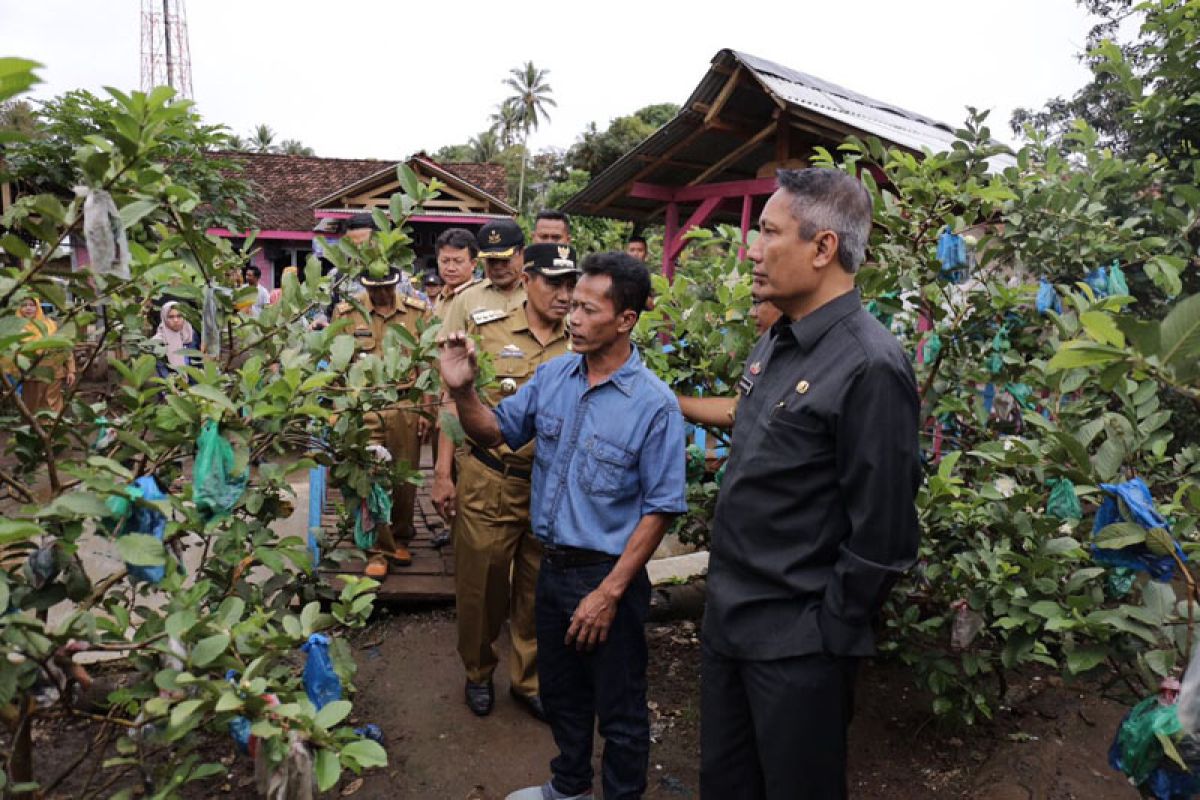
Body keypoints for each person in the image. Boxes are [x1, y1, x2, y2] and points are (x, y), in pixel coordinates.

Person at [699, 168, 921, 800]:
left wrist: (825, 634)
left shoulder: (870, 366)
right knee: (725, 784)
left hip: (796, 648)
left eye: (768, 232)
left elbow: (884, 535)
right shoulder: (777, 339)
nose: (753, 248)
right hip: (731, 623)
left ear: (823, 248)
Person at [439, 251, 687, 800]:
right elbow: (493, 432)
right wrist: (462, 390)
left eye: (588, 309)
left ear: (626, 320)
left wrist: (609, 592)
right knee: (564, 695)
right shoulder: (553, 377)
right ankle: (568, 788)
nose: (572, 317)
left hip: (607, 577)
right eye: (571, 305)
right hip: (552, 570)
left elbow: (661, 507)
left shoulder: (655, 406)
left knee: (620, 711)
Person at [440, 243, 578, 722]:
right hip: (489, 479)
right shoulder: (487, 330)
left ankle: (529, 679)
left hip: (549, 484)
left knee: (539, 589)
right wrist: (444, 472)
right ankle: (478, 672)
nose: (563, 294)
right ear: (527, 280)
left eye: (569, 284)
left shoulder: (580, 340)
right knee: (482, 587)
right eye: (553, 282)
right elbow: (453, 401)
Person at [331, 267, 433, 578]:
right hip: (364, 404)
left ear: (397, 282)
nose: (381, 294)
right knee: (370, 476)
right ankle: (378, 546)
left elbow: (428, 361)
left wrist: (426, 408)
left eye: (387, 287)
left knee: (404, 477)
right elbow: (337, 363)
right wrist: (339, 410)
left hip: (404, 402)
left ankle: (401, 535)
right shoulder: (347, 312)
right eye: (374, 288)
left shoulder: (417, 312)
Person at [432, 218, 529, 525]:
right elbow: (451, 387)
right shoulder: (467, 299)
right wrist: (442, 472)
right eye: (490, 260)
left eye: (505, 259)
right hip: (478, 435)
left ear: (522, 254)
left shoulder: (542, 294)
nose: (497, 267)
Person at [676, 298, 783, 428]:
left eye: (758, 303)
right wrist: (670, 401)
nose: (751, 313)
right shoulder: (764, 347)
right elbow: (738, 409)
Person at [12, 297, 75, 414]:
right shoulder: (15, 328)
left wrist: (71, 370)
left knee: (51, 404)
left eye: (31, 305)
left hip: (53, 373)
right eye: (24, 305)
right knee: (31, 406)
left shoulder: (50, 325)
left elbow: (64, 346)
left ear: (38, 307)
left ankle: (51, 430)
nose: (28, 308)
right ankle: (33, 430)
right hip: (30, 374)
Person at [432, 227, 481, 319]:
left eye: (458, 261)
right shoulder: (440, 297)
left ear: (473, 264)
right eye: (445, 261)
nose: (451, 268)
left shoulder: (481, 298)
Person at [154, 301, 195, 378]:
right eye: (171, 317)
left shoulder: (189, 334)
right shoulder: (158, 341)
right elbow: (162, 370)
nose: (176, 320)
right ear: (164, 318)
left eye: (179, 316)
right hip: (171, 385)